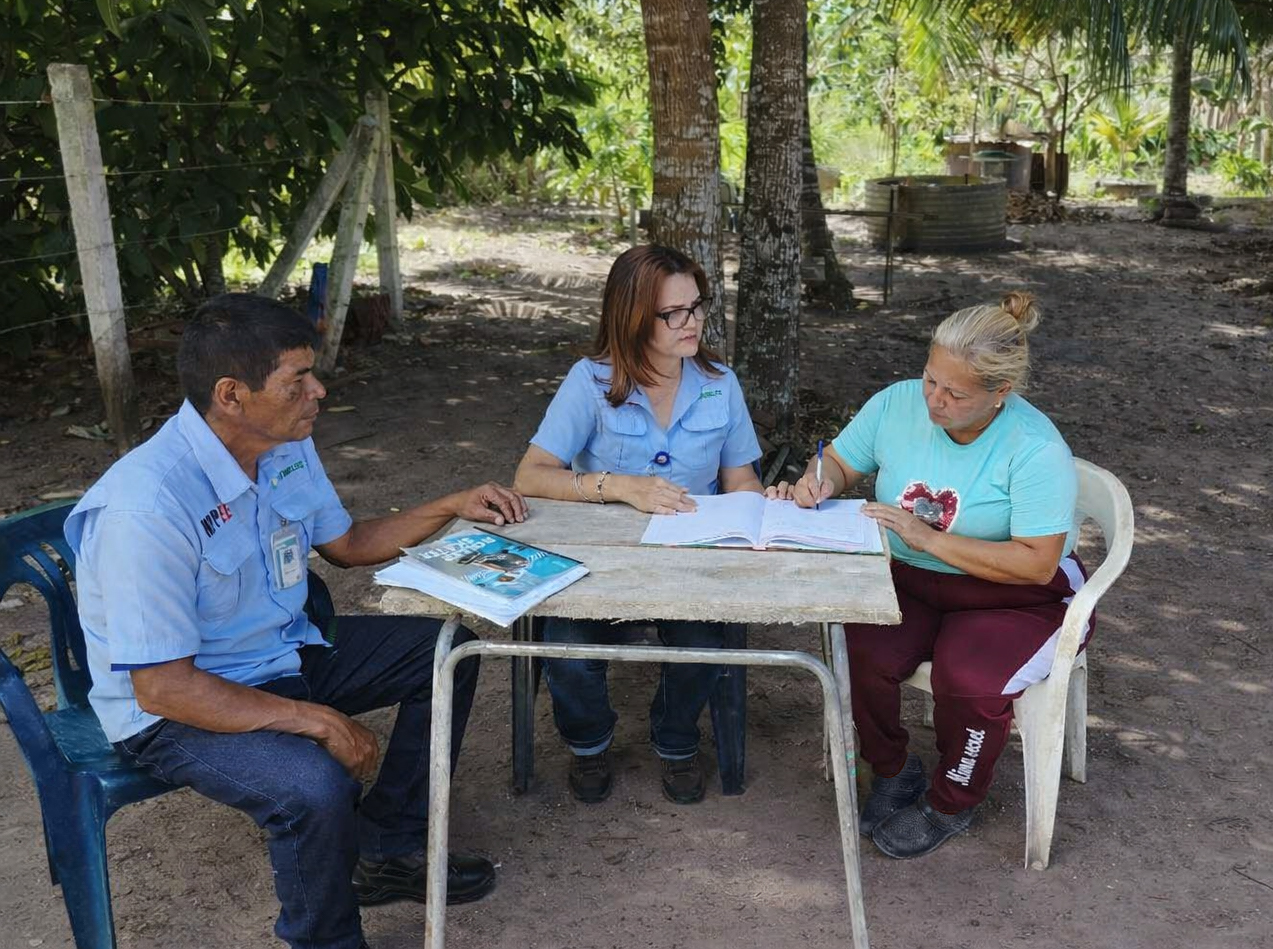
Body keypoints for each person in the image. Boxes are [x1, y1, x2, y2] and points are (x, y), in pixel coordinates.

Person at [64, 293, 528, 949]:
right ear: (231, 394)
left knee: (450, 650)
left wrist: (451, 505)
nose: (318, 391)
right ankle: (326, 939)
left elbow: (348, 544)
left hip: (280, 653)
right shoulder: (147, 506)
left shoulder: (281, 442)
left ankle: (387, 845)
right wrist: (318, 720)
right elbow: (163, 687)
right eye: (297, 381)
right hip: (178, 704)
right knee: (315, 785)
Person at [771, 291, 1089, 859]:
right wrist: (821, 478)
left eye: (955, 393)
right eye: (929, 380)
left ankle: (952, 800)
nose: (934, 401)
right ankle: (893, 769)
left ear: (1000, 395)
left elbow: (1038, 561)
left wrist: (929, 538)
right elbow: (842, 459)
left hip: (1015, 595)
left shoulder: (1035, 448)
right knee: (860, 650)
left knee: (967, 680)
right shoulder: (897, 404)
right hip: (914, 576)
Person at [512, 244, 763, 805]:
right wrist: (619, 486)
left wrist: (758, 518)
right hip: (598, 566)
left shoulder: (720, 382)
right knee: (567, 646)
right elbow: (531, 476)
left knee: (702, 643)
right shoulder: (591, 381)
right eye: (674, 313)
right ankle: (588, 743)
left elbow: (742, 479)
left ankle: (675, 742)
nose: (692, 322)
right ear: (632, 317)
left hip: (688, 563)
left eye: (697, 307)